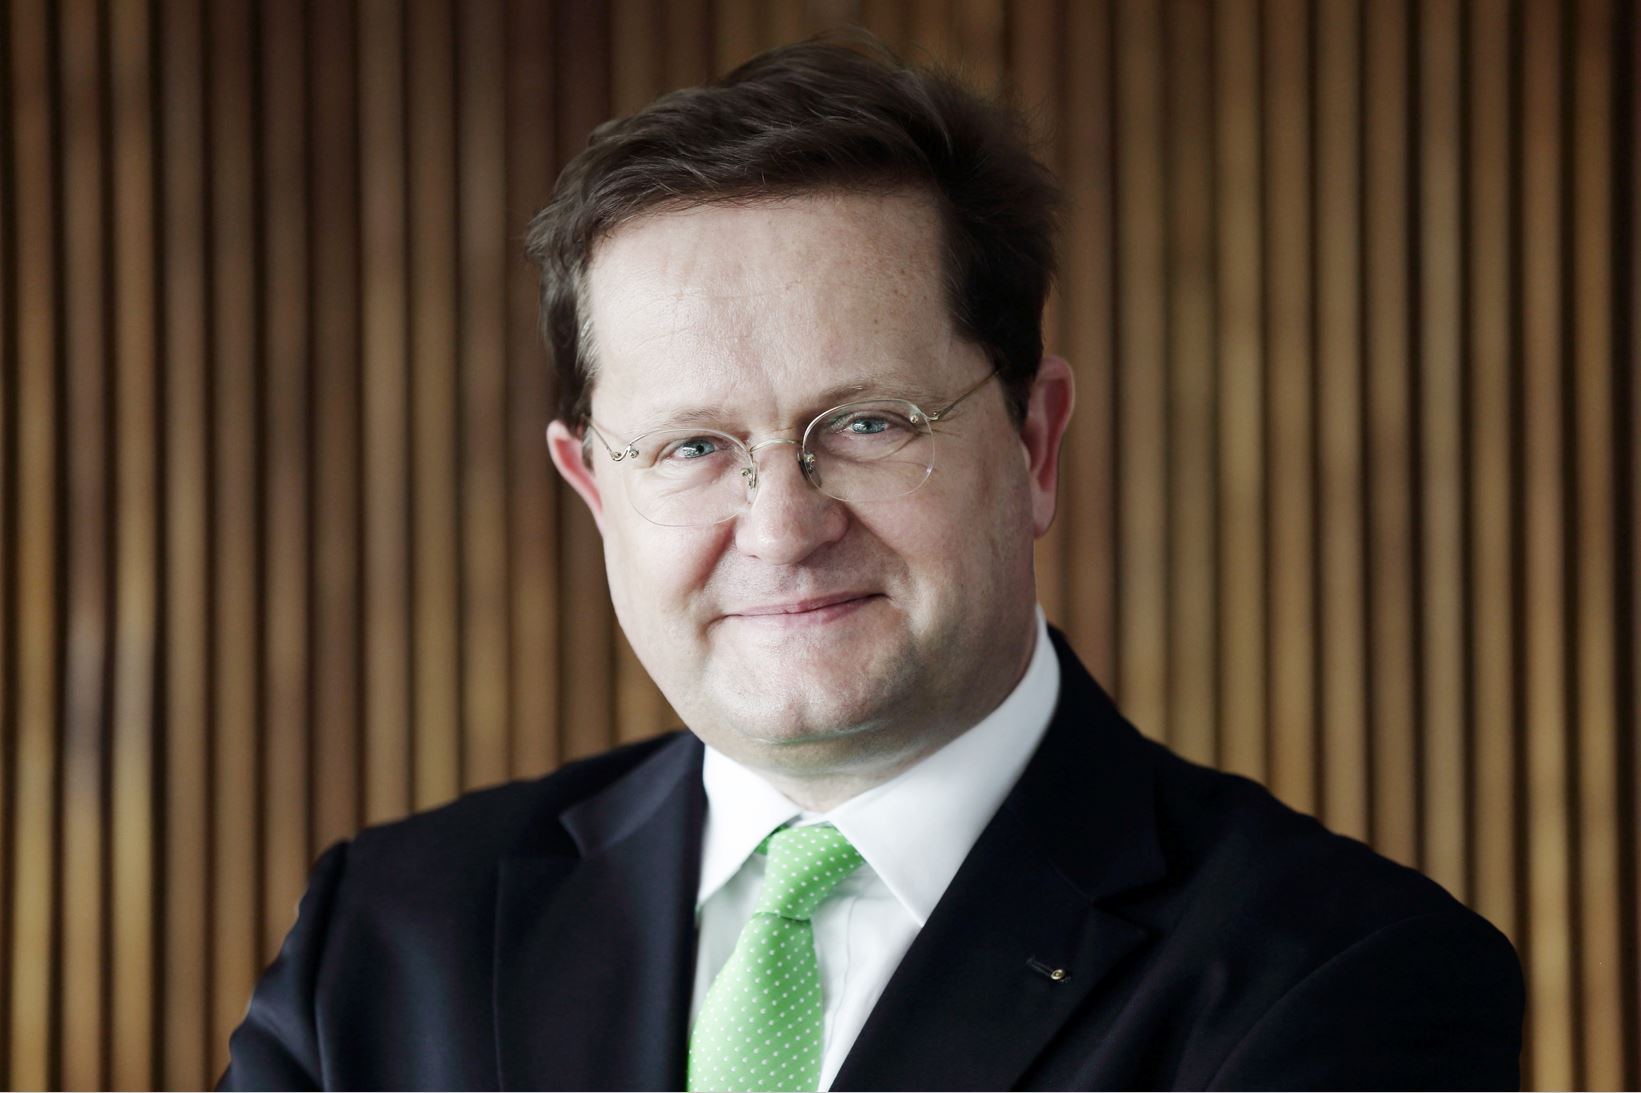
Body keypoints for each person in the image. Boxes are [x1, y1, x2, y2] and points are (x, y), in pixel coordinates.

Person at [222, 35, 1523, 1091]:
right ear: (594, 487)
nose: (782, 527)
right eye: (692, 446)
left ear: (1034, 440)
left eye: (866, 425)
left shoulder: (1344, 976)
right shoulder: (385, 937)